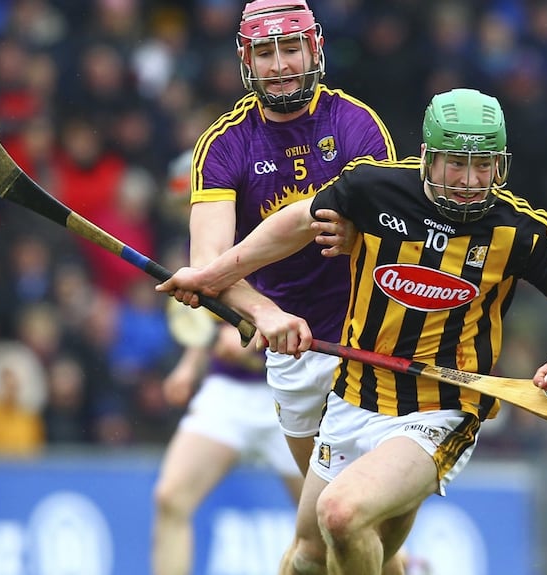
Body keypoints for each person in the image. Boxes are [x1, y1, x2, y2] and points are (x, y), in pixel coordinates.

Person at [158, 88, 547, 574]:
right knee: (308, 556)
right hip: (353, 397)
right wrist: (214, 275)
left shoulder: (521, 230)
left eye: (485, 165)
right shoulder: (375, 187)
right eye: (457, 163)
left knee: (342, 514)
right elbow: (294, 223)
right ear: (429, 158)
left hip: (440, 409)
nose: (470, 180)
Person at [186, 0, 397, 478]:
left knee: (350, 515)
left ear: (315, 49)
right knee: (321, 528)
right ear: (246, 62)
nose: (280, 66)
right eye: (265, 53)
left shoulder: (356, 124)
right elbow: (208, 264)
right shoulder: (224, 144)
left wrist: (359, 234)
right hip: (291, 350)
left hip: (367, 338)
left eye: (291, 49)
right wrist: (265, 312)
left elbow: (396, 235)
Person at [151, 151, 303, 575]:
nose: (192, 217)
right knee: (171, 498)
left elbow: (292, 309)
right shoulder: (198, 244)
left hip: (292, 392)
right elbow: (209, 320)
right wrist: (189, 365)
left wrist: (253, 343)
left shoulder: (270, 230)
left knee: (329, 523)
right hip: (230, 390)